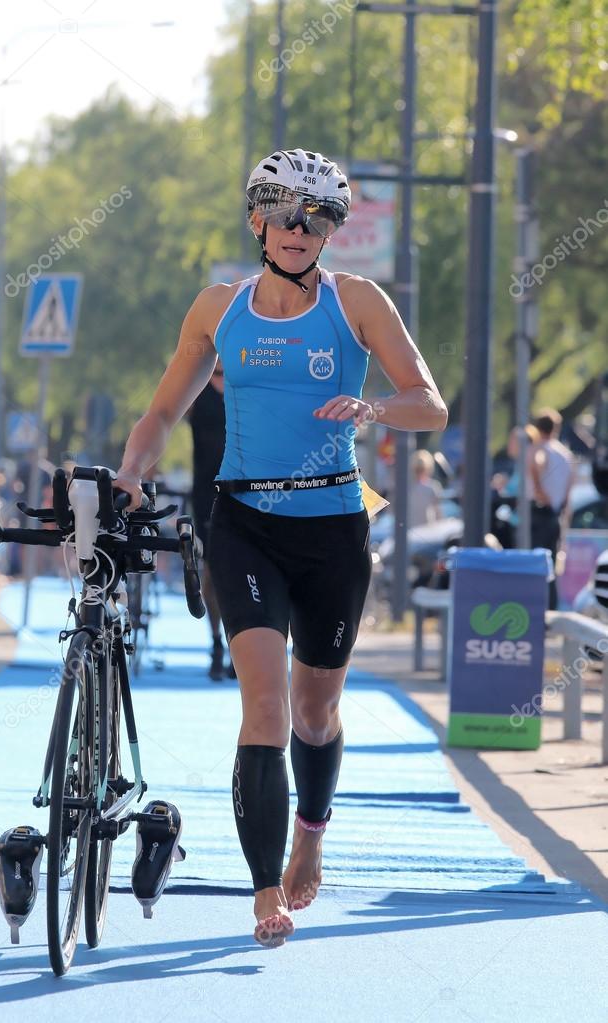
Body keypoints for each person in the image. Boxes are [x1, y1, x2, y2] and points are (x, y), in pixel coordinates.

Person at [115, 147, 447, 948]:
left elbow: (428, 404)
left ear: (331, 230)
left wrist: (372, 411)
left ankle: (311, 829)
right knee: (262, 702)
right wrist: (131, 470)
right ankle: (266, 889)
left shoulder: (358, 301)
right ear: (258, 220)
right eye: (286, 216)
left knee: (315, 708)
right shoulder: (218, 309)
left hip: (333, 527)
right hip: (246, 525)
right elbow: (162, 413)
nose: (300, 231)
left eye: (319, 218)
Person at [188, 360, 235, 681]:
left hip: (245, 491)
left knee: (239, 573)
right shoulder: (197, 389)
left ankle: (239, 646)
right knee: (211, 573)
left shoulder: (243, 386)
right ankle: (217, 642)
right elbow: (163, 416)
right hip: (206, 493)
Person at [530, 408, 573, 609]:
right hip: (556, 514)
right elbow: (569, 489)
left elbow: (536, 463)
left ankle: (534, 608)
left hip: (539, 512)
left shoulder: (541, 449)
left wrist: (538, 488)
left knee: (532, 564)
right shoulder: (566, 454)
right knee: (551, 567)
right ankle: (550, 609)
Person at [408, 449, 443, 528]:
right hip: (426, 531)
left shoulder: (408, 488)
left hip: (419, 530)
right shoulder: (433, 487)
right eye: (418, 469)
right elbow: (438, 513)